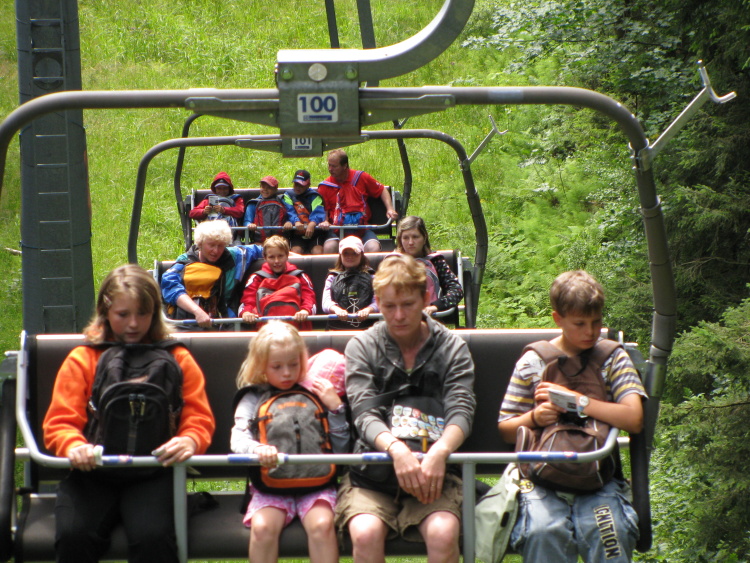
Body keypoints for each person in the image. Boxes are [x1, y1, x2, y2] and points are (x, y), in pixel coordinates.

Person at [43, 264, 215, 563]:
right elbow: (60, 421)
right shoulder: (84, 359)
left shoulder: (177, 358)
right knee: (74, 536)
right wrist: (73, 445)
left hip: (154, 471)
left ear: (155, 313)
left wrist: (190, 440)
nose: (133, 324)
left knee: (153, 539)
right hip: (92, 473)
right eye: (123, 315)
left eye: (142, 314)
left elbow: (198, 417)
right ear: (105, 312)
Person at [497, 270, 647, 563]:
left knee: (610, 532)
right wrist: (535, 418)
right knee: (542, 532)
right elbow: (505, 427)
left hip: (598, 477)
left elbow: (634, 418)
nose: (590, 332)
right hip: (542, 477)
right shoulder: (533, 362)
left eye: (596, 322)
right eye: (580, 324)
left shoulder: (613, 359)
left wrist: (579, 402)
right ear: (558, 319)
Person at [336, 254, 476, 563]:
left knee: (443, 533)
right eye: (389, 307)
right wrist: (396, 450)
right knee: (365, 534)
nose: (398, 316)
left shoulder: (451, 347)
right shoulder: (363, 346)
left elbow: (461, 409)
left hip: (435, 470)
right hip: (374, 473)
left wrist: (440, 452)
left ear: (425, 299)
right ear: (378, 303)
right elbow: (363, 412)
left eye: (408, 305)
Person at [231, 321, 348, 563]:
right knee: (263, 529)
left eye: (294, 364)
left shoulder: (316, 391)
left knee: (323, 526)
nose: (287, 373)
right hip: (271, 486)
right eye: (277, 366)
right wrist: (256, 449)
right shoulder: (253, 397)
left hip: (317, 485)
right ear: (261, 365)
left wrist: (336, 409)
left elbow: (341, 447)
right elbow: (238, 438)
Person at [161, 220, 263, 329]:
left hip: (227, 319)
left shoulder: (236, 256)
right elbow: (170, 286)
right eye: (211, 245)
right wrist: (197, 311)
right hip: (189, 320)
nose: (216, 251)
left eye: (220, 246)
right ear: (200, 243)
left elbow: (266, 250)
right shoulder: (185, 262)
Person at [317, 149, 398, 253]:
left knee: (373, 248)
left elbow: (382, 190)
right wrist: (325, 221)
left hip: (362, 229)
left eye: (334, 166)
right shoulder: (325, 186)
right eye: (329, 165)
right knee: (329, 247)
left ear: (345, 165)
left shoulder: (361, 177)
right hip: (337, 230)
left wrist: (390, 209)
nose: (330, 169)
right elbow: (324, 209)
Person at [239, 235, 316, 330]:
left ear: (287, 255)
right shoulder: (256, 278)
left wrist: (305, 311)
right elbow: (248, 301)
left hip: (295, 330)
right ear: (265, 258)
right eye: (271, 257)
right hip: (266, 331)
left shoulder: (300, 276)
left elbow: (309, 299)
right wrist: (247, 313)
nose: (276, 261)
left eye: (280, 256)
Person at [396, 216, 464, 316]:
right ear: (400, 240)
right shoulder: (393, 262)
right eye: (406, 238)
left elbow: (456, 290)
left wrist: (435, 306)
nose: (410, 242)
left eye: (415, 237)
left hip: (429, 317)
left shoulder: (435, 261)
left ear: (424, 238)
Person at [321, 236, 378, 330]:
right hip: (337, 329)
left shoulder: (372, 276)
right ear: (340, 255)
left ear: (361, 255)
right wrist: (337, 310)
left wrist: (368, 310)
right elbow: (326, 302)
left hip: (366, 329)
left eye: (355, 253)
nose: (350, 257)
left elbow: (378, 301)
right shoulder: (332, 277)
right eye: (346, 253)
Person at [243, 175, 298, 243]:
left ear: (275, 189)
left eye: (269, 188)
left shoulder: (283, 201)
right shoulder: (253, 203)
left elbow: (291, 214)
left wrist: (289, 222)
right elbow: (247, 221)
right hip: (260, 241)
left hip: (280, 241)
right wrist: (250, 225)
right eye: (263, 187)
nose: (265, 190)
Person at [283, 169, 326, 255]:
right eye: (296, 184)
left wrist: (312, 223)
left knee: (317, 251)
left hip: (314, 233)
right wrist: (296, 221)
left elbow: (318, 212)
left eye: (301, 185)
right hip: (297, 234)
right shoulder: (288, 196)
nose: (298, 187)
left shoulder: (315, 196)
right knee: (295, 251)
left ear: (308, 185)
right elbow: (289, 211)